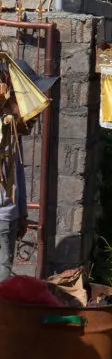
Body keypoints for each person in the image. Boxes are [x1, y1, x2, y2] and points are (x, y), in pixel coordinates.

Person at [0, 104, 26, 282]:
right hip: (5, 213)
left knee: (4, 269)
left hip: (8, 214)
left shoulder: (13, 131)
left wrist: (22, 212)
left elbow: (19, 175)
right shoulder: (9, 131)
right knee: (3, 269)